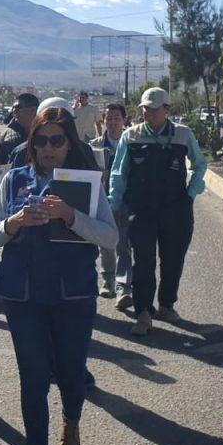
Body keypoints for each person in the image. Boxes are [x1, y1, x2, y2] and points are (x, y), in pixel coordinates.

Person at [0, 107, 118, 445]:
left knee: (71, 372)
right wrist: (14, 223)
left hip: (72, 296)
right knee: (33, 377)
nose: (47, 148)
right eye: (40, 140)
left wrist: (70, 215)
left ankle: (71, 419)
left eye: (56, 140)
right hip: (23, 296)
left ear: (69, 144)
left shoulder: (85, 184)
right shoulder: (14, 179)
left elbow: (110, 238)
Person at [109, 87, 208, 336]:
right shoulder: (131, 136)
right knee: (143, 260)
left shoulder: (183, 135)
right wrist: (114, 205)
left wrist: (190, 193)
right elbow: (119, 173)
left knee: (173, 259)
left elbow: (200, 164)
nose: (148, 114)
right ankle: (143, 311)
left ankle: (166, 305)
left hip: (176, 209)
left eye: (154, 110)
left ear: (167, 110)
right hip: (140, 209)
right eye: (145, 109)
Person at [90, 103, 132, 306]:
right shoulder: (95, 146)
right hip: (102, 200)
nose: (113, 122)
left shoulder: (132, 143)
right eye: (109, 118)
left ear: (124, 120)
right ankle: (108, 280)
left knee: (124, 243)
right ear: (103, 121)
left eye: (117, 118)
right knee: (106, 243)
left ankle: (124, 287)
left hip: (126, 200)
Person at [0, 93, 39, 165]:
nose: (14, 112)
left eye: (18, 108)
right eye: (13, 108)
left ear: (33, 110)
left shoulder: (44, 134)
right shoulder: (7, 134)